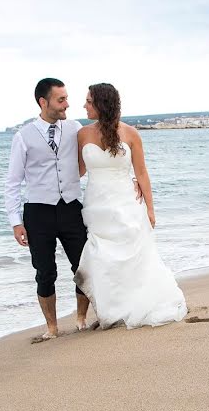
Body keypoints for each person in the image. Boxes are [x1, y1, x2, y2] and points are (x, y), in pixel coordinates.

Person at [74, 83, 187, 329]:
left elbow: (142, 173)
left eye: (89, 101)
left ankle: (132, 307)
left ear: (101, 104)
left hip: (127, 201)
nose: (84, 106)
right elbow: (76, 173)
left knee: (133, 255)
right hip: (96, 206)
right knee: (102, 258)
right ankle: (111, 310)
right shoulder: (82, 134)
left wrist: (150, 208)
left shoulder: (131, 134)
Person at [4, 78, 89, 340]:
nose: (67, 104)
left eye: (66, 98)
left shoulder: (75, 128)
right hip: (38, 211)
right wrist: (16, 222)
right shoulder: (24, 136)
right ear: (44, 102)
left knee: (83, 266)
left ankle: (81, 319)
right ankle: (52, 327)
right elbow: (13, 181)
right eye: (61, 99)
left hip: (71, 207)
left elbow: (88, 158)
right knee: (45, 271)